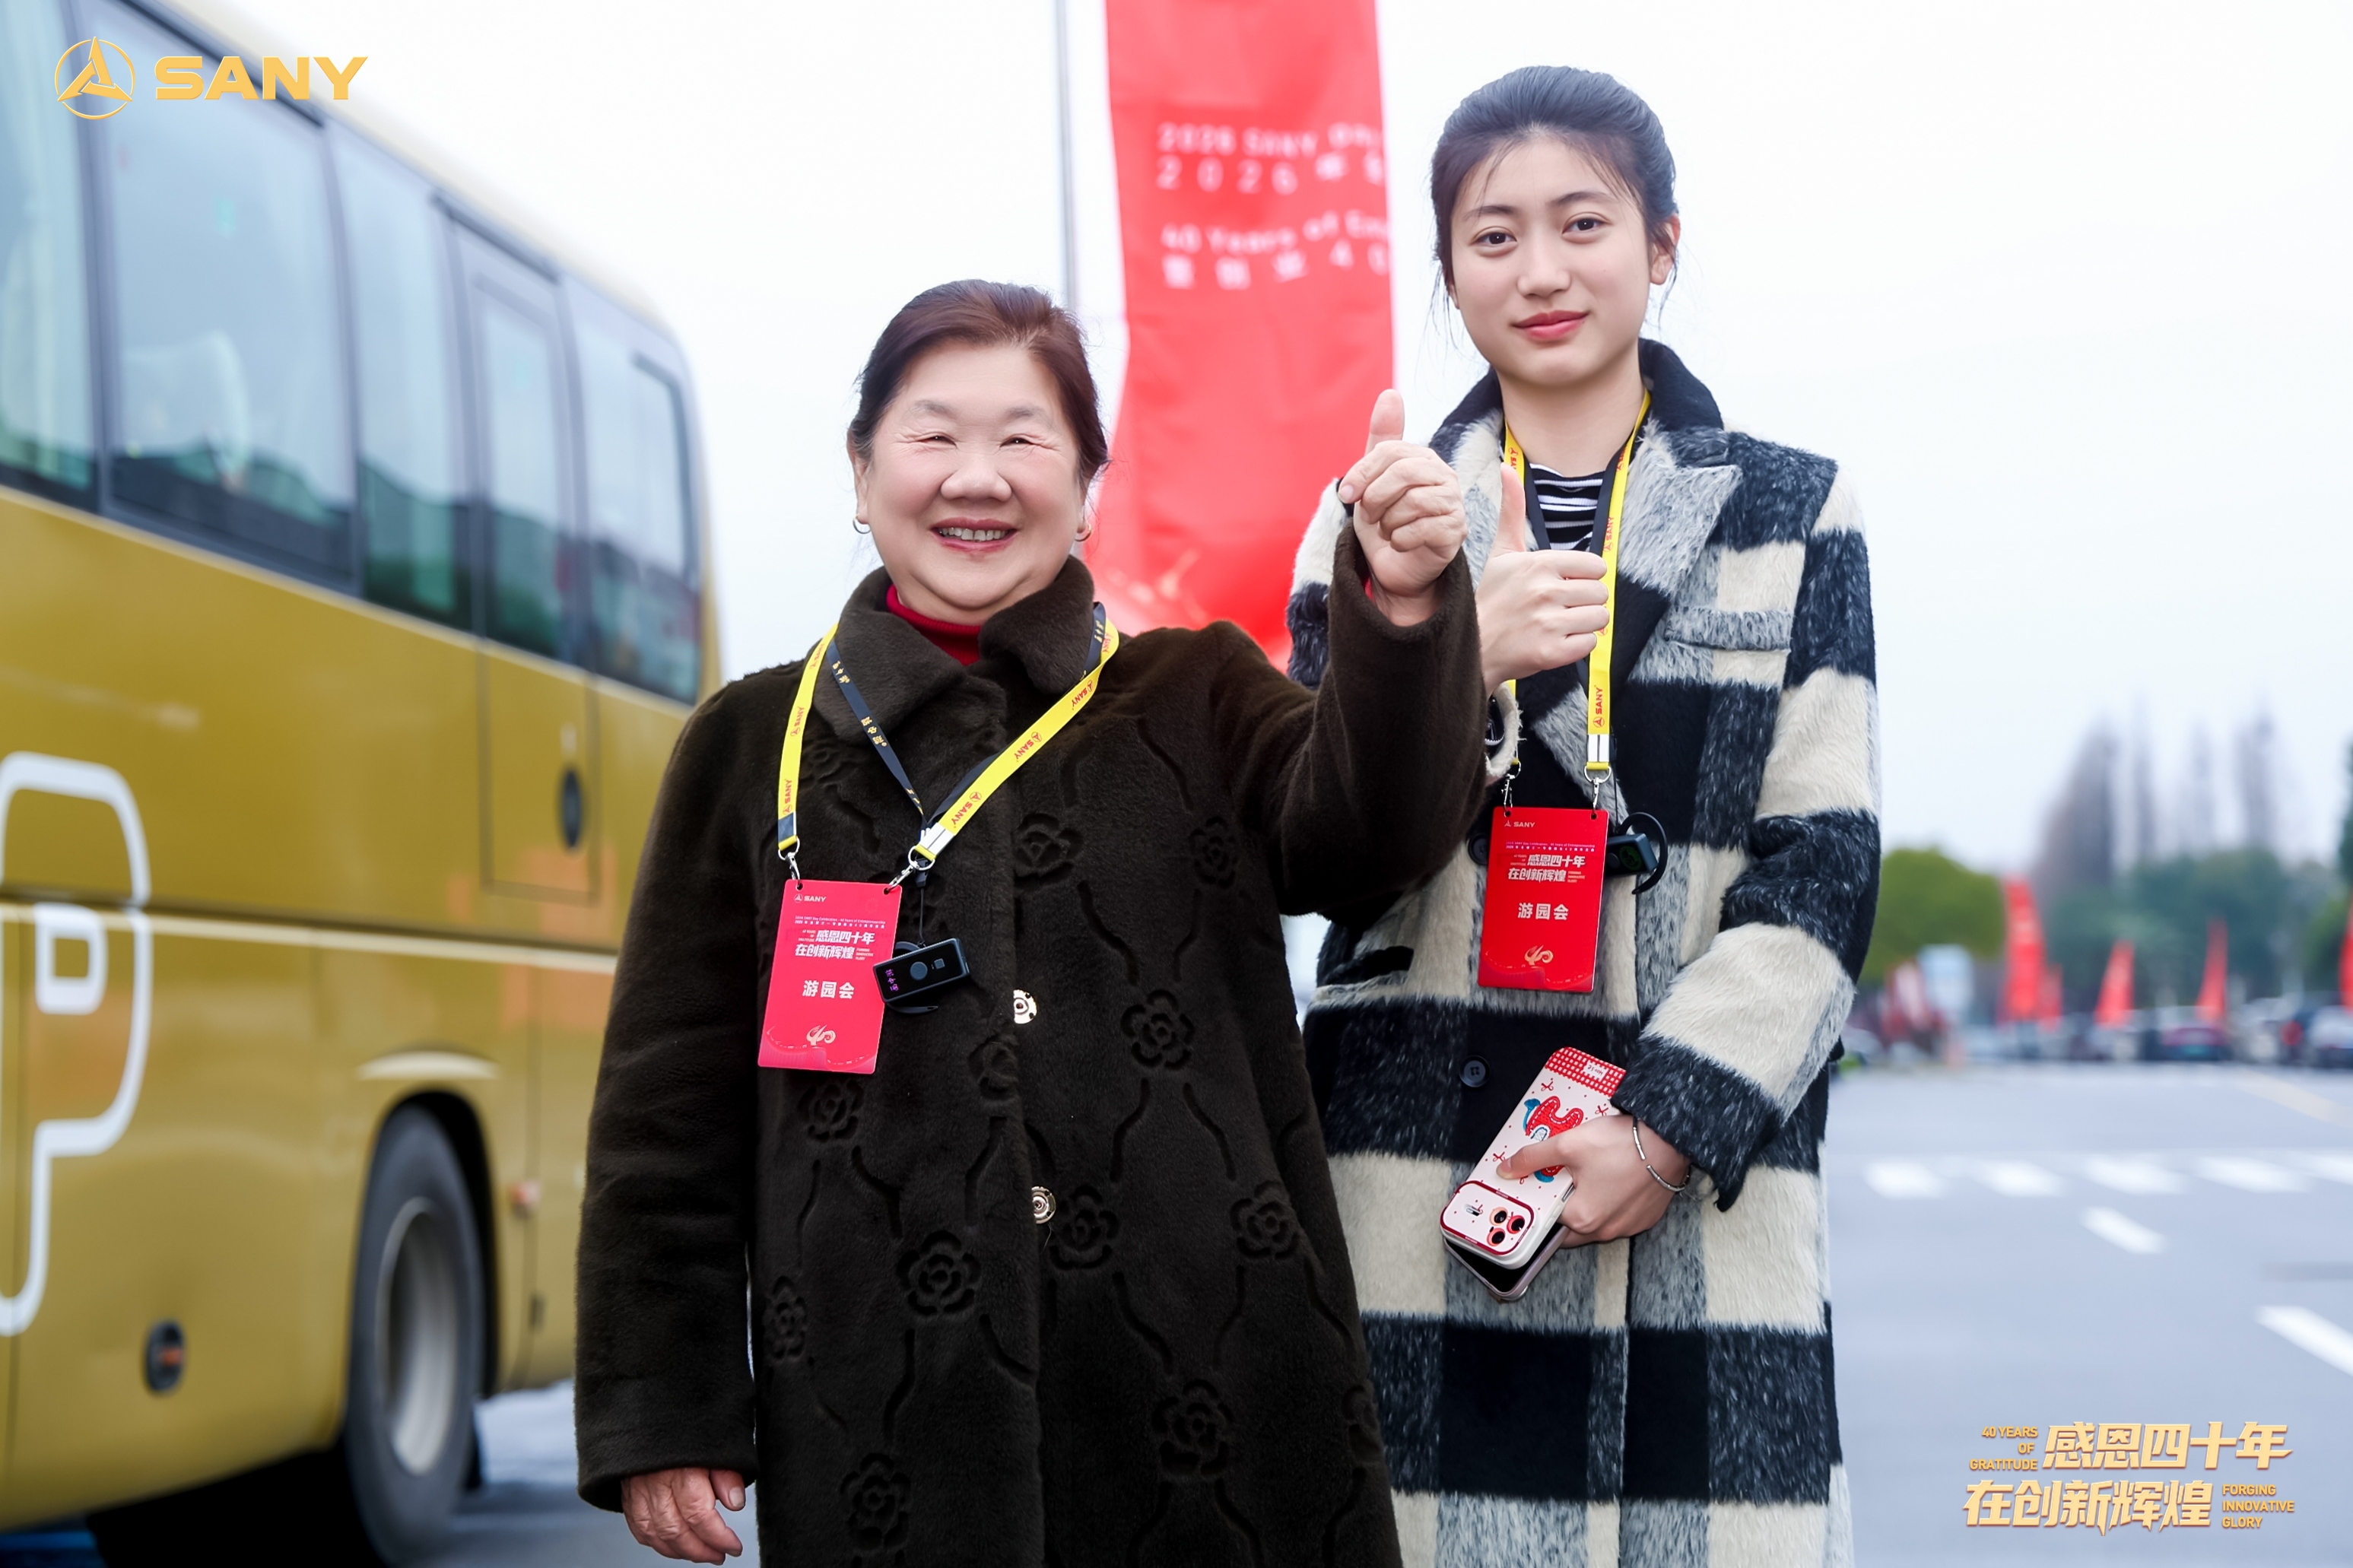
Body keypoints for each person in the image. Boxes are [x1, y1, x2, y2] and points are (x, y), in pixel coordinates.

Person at [574, 280, 1490, 1566]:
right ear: (861, 471)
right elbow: (664, 1110)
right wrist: (661, 1403)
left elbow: (1373, 840)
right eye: (932, 434)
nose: (976, 477)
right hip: (876, 1406)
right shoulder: (750, 743)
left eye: (1022, 438)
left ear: (1087, 484)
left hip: (1216, 1393)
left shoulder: (1199, 693)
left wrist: (1398, 611)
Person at [1285, 68, 1878, 1566]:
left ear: (1660, 243)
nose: (1539, 270)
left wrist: (1667, 1126)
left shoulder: (1787, 511)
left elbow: (1821, 863)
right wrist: (1448, 661)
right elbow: (1323, 850)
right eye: (1491, 237)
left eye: (1582, 223)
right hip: (1418, 1172)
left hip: (1690, 1190)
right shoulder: (1367, 519)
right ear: (1446, 273)